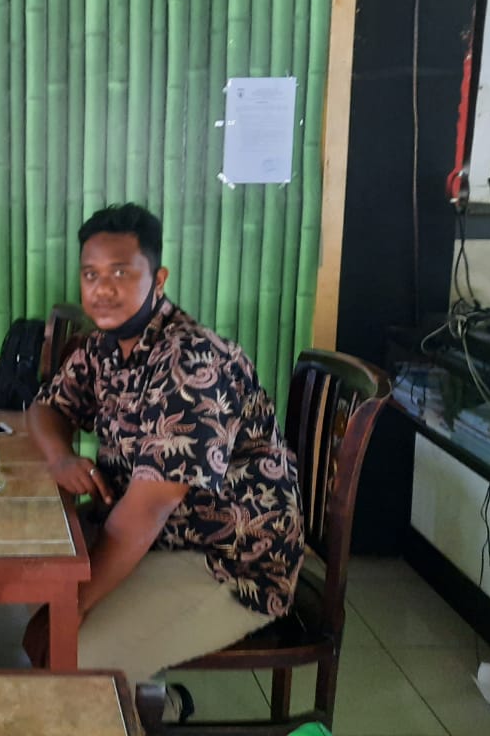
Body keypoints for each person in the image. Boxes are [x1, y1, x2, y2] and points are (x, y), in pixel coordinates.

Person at [23, 203, 304, 721]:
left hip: (229, 560)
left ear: (158, 279)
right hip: (162, 539)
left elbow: (147, 511)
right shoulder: (104, 345)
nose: (102, 289)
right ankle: (152, 705)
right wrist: (61, 457)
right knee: (40, 627)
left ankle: (132, 708)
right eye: (91, 275)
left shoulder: (191, 362)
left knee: (72, 657)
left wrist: (76, 602)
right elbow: (46, 408)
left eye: (120, 273)